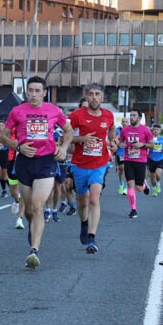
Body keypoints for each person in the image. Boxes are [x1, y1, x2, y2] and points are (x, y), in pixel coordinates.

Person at [0, 76, 72, 269]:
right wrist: (18, 146)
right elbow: (3, 136)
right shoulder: (17, 111)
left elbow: (69, 131)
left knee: (38, 205)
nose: (33, 94)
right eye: (30, 90)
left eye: (37, 91)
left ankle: (34, 250)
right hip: (24, 161)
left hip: (46, 161)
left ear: (44, 92)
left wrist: (63, 148)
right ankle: (33, 229)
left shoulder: (54, 111)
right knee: (30, 210)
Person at [67, 84, 117, 254]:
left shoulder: (108, 116)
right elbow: (65, 137)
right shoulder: (76, 115)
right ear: (86, 97)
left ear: (102, 97)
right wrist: (81, 138)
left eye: (97, 94)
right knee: (82, 201)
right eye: (90, 94)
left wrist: (113, 142)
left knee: (94, 199)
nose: (94, 97)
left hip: (100, 163)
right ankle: (83, 222)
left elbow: (111, 132)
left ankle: (92, 238)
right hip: (80, 164)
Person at [118, 110, 154, 219]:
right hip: (128, 160)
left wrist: (142, 144)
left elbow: (152, 145)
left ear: (139, 117)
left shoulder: (145, 130)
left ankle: (144, 185)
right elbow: (120, 143)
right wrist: (121, 145)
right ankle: (133, 209)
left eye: (134, 115)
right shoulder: (125, 130)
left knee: (139, 188)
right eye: (130, 115)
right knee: (130, 184)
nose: (131, 117)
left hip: (140, 161)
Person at [148, 125, 163, 195]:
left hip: (160, 158)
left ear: (160, 131)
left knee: (158, 174)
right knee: (152, 177)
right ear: (152, 130)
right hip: (151, 158)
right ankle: (154, 190)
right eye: (154, 129)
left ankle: (158, 184)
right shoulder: (150, 138)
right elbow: (146, 146)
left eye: (157, 129)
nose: (156, 131)